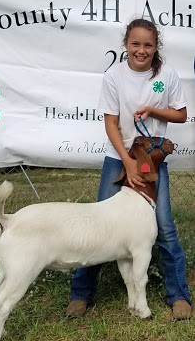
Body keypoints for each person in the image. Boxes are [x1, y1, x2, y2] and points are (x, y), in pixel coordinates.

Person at [66, 18, 192, 320]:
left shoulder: (166, 75)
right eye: (135, 44)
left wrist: (153, 110)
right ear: (126, 45)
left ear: (155, 47)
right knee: (99, 223)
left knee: (164, 226)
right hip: (118, 155)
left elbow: (181, 114)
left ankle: (178, 296)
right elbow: (111, 124)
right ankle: (81, 294)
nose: (141, 50)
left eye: (148, 45)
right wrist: (127, 162)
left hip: (150, 159)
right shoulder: (114, 76)